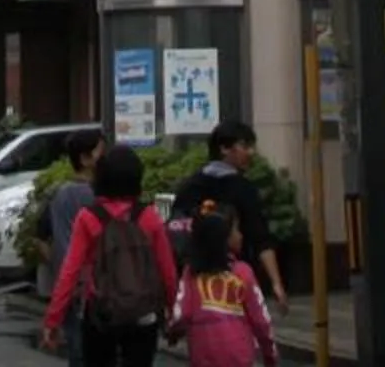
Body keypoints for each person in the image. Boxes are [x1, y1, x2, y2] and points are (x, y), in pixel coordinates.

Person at [42, 143, 178, 367]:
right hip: (143, 314)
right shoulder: (149, 216)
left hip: (99, 313)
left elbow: (70, 271)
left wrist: (53, 319)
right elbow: (168, 271)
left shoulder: (88, 217)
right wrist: (173, 313)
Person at [168, 121, 287, 315]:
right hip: (236, 281)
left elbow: (176, 230)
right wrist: (276, 284)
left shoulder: (190, 186)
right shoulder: (244, 189)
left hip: (197, 281)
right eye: (245, 146)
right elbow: (261, 239)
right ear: (224, 148)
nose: (251, 152)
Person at [167, 212, 277, 367]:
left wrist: (173, 333)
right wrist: (269, 354)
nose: (240, 235)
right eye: (236, 230)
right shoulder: (243, 272)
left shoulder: (191, 273)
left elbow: (182, 314)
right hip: (239, 355)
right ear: (224, 239)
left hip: (203, 354)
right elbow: (261, 320)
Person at [40, 132, 102, 364]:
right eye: (100, 152)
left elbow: (40, 236)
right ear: (85, 158)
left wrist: (57, 264)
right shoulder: (98, 197)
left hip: (68, 285)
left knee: (78, 352)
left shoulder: (58, 192)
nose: (104, 157)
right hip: (92, 288)